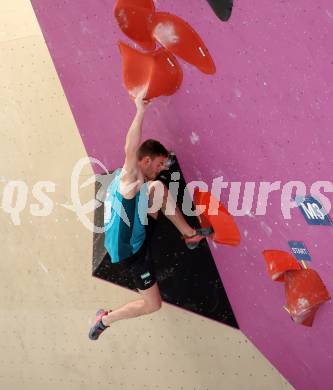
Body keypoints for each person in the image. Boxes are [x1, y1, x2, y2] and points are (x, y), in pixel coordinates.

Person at [89, 91, 210, 340]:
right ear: (144, 160)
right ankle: (105, 319)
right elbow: (130, 147)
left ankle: (189, 235)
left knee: (158, 188)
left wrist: (164, 165)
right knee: (153, 305)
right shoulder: (130, 178)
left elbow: (152, 179)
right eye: (159, 164)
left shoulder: (144, 179)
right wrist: (140, 110)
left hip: (138, 226)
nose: (162, 168)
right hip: (131, 252)